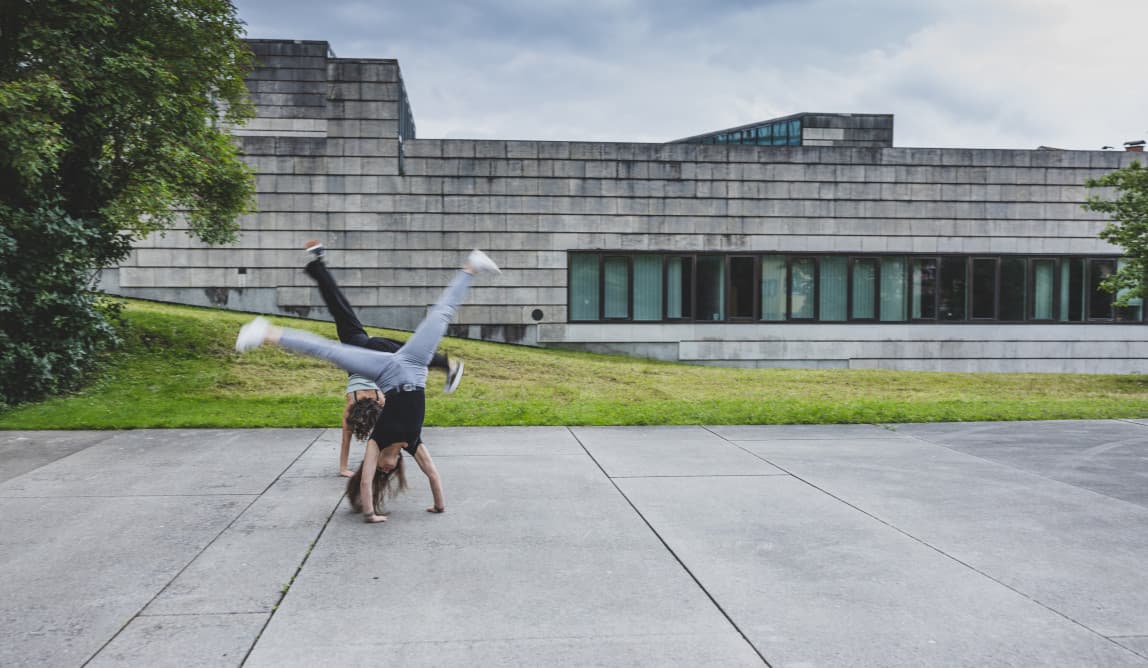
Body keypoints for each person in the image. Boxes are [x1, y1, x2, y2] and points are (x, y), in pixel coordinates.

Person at [236, 249, 501, 523]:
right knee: (440, 316)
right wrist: (439, 505)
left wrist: (370, 513)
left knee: (332, 352)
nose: (386, 469)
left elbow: (365, 482)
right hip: (414, 365)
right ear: (397, 463)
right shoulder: (413, 444)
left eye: (381, 472)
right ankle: (471, 268)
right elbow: (432, 473)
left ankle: (267, 332)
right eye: (389, 471)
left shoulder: (377, 441)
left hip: (386, 374)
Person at [302, 240, 463, 477]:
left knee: (343, 310)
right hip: (364, 348)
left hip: (367, 349)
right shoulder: (360, 404)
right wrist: (345, 468)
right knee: (342, 311)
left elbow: (400, 414)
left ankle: (319, 265)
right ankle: (446, 363)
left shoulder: (379, 405)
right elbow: (353, 441)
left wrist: (351, 468)